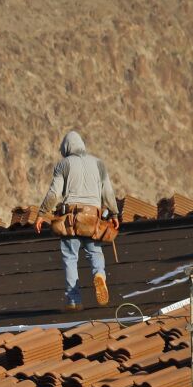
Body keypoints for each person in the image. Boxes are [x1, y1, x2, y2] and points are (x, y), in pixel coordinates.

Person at [41, 129, 119, 310]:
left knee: (70, 257)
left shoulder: (64, 164)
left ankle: (74, 300)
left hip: (71, 220)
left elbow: (54, 193)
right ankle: (99, 275)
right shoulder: (99, 164)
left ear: (66, 148)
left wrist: (41, 213)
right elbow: (108, 193)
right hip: (93, 218)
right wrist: (114, 215)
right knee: (95, 253)